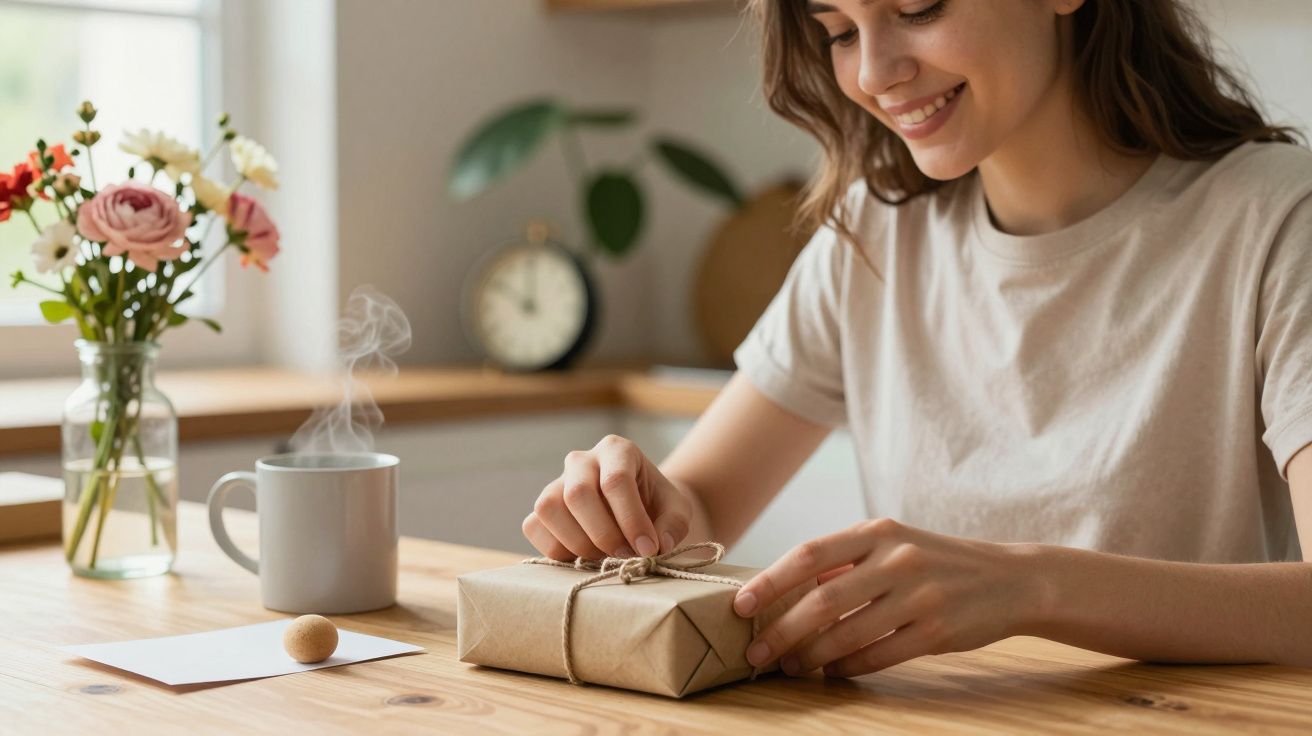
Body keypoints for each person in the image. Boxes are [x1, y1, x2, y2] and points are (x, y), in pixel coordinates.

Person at [522, 0, 1312, 677]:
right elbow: (696, 507)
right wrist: (629, 503)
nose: (874, 72)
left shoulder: (1279, 221)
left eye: (918, 8)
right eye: (839, 29)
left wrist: (1031, 586)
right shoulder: (874, 233)